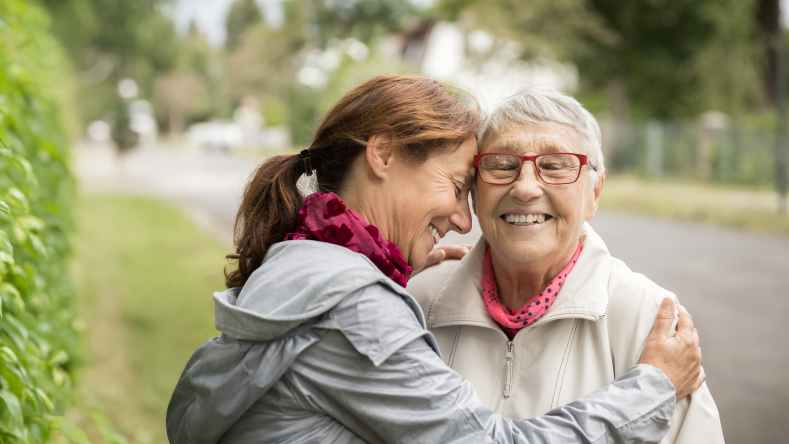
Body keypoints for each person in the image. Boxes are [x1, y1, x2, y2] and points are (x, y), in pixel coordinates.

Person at [167, 75, 704, 444]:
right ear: (382, 155)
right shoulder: (358, 305)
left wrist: (379, 285)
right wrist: (652, 386)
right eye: (459, 183)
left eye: (557, 166)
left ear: (595, 189)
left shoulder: (303, 265)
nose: (463, 218)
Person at [408, 87, 723, 443]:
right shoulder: (416, 301)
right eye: (502, 165)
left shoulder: (649, 319)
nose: (525, 188)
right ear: (475, 193)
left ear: (595, 194)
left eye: (555, 166)